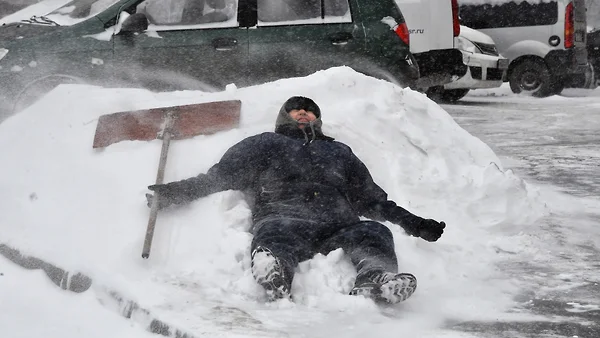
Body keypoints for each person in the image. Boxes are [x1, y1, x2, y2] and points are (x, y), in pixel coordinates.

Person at [146, 96, 446, 303]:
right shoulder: (265, 143)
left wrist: (415, 223)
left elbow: (372, 199)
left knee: (374, 232)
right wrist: (174, 192)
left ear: (318, 118)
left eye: (310, 110)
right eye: (295, 109)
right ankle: (274, 270)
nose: (303, 112)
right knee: (274, 233)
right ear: (283, 115)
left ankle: (375, 278)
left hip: (338, 224)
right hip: (283, 216)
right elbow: (221, 176)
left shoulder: (339, 151)